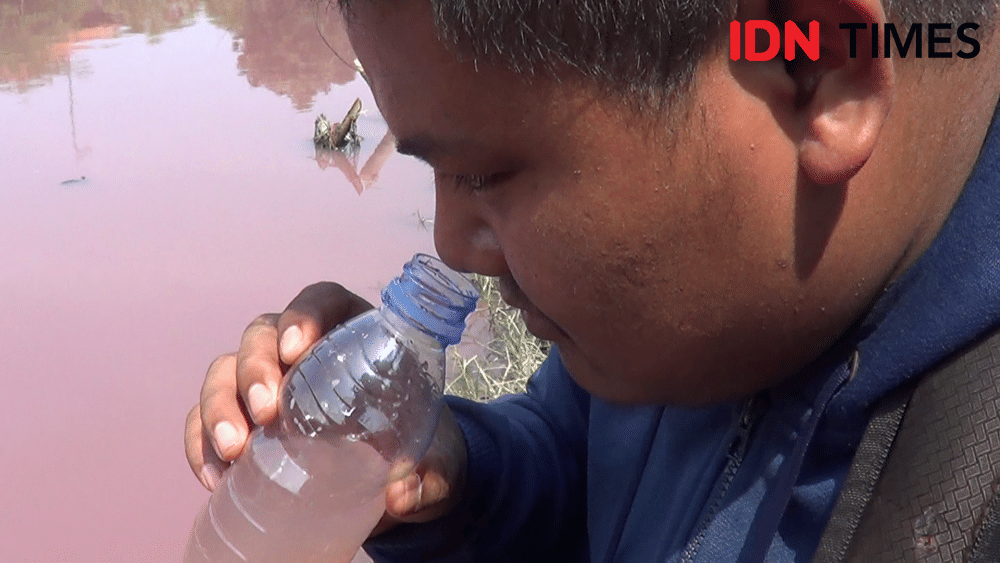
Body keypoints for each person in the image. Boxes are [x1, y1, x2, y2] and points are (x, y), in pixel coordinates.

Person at [183, 0, 1000, 560]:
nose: (452, 245)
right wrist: (464, 475)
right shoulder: (695, 324)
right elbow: (586, 461)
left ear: (811, 66)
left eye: (487, 174)